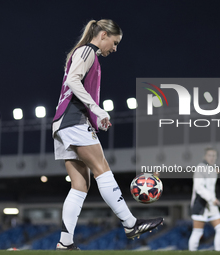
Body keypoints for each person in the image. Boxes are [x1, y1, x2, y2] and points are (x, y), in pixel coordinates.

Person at [52, 19, 163, 250]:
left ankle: (65, 242)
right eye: (114, 42)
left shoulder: (84, 53)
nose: (114, 48)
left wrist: (96, 117)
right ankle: (130, 224)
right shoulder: (87, 51)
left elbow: (73, 84)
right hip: (73, 120)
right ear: (103, 35)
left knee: (80, 185)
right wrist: (95, 109)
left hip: (63, 122)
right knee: (103, 169)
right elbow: (73, 80)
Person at [188, 147, 220, 251]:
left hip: (211, 205)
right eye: (209, 155)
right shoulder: (200, 168)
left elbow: (210, 185)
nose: (212, 157)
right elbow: (199, 188)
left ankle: (219, 251)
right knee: (197, 232)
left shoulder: (212, 169)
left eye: (214, 156)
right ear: (205, 156)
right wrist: (211, 198)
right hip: (200, 204)